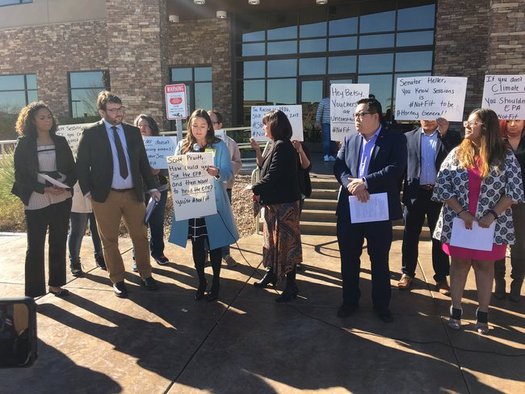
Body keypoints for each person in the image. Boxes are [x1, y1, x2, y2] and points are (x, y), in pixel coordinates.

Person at [432, 108, 524, 334]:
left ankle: (482, 315)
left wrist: (491, 215)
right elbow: (443, 186)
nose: (465, 125)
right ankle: (455, 311)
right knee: (459, 266)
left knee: (485, 267)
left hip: (491, 226)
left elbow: (514, 191)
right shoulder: (457, 153)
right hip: (459, 223)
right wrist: (462, 213)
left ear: (485, 126)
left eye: (471, 122)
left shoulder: (504, 155)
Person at [76, 91, 161, 298]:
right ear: (102, 111)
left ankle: (146, 274)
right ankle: (118, 279)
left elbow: (142, 162)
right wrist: (88, 192)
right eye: (113, 110)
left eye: (120, 109)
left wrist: (152, 186)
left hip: (133, 194)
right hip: (105, 196)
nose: (118, 113)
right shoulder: (90, 134)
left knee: (140, 236)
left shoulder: (133, 132)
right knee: (110, 240)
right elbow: (81, 166)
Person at [334, 98, 407, 322]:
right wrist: (351, 185)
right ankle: (349, 301)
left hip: (377, 209)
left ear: (376, 117)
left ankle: (381, 305)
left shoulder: (395, 138)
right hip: (350, 207)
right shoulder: (349, 139)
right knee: (348, 257)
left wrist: (366, 182)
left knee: (379, 259)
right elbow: (339, 166)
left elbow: (396, 168)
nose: (357, 118)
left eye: (362, 114)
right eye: (355, 115)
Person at [168, 109, 239, 302]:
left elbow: (227, 173)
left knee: (215, 242)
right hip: (192, 204)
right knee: (197, 244)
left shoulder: (219, 146)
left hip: (213, 202)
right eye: (195, 125)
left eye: (202, 126)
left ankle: (216, 281)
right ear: (190, 126)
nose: (198, 130)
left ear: (209, 126)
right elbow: (175, 173)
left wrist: (216, 172)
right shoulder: (182, 146)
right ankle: (201, 281)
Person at [11, 101, 76, 298]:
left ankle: (56, 284)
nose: (47, 120)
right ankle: (33, 291)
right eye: (42, 117)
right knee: (35, 245)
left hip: (61, 196)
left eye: (49, 116)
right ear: (32, 120)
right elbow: (20, 175)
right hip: (36, 197)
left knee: (58, 241)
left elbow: (72, 170)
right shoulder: (23, 143)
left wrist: (63, 185)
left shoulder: (61, 141)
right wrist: (44, 188)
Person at [399, 118, 462, 294]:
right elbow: (401, 167)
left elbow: (459, 158)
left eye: (431, 114)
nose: (427, 119)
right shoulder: (407, 137)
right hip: (415, 194)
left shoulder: (452, 136)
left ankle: (441, 277)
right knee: (410, 235)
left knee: (439, 236)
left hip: (440, 195)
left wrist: (445, 134)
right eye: (424, 114)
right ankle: (407, 273)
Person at [249, 110, 302, 302]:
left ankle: (291, 285)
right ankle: (272, 274)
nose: (263, 127)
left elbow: (274, 176)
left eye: (265, 124)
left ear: (275, 126)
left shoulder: (283, 147)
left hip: (285, 207)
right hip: (274, 205)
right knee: (271, 243)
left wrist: (253, 187)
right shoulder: (273, 145)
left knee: (287, 246)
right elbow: (264, 169)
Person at [132, 114, 171, 270]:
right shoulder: (131, 145)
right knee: (138, 224)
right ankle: (137, 257)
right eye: (139, 125)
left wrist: (160, 169)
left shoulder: (161, 144)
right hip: (137, 190)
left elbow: (170, 168)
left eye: (146, 125)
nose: (143, 128)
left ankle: (158, 253)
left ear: (152, 128)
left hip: (159, 188)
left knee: (157, 222)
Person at [494, 119, 525, 302]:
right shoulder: (497, 143)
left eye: (518, 120)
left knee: (520, 244)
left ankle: (517, 282)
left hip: (522, 202)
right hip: (500, 201)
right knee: (499, 241)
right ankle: (499, 281)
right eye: (510, 120)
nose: (513, 124)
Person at [208, 110, 242, 268]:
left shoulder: (229, 142)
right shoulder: (200, 142)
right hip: (205, 190)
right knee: (206, 221)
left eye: (212, 122)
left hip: (223, 188)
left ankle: (225, 254)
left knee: (224, 221)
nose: (209, 125)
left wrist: (225, 170)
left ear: (219, 125)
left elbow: (237, 162)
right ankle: (207, 253)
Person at [68, 182, 106, 277]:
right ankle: (75, 262)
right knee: (77, 232)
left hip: (96, 193)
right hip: (78, 194)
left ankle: (99, 256)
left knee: (98, 229)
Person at [292, 139, 312, 272]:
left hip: (298, 192)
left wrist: (299, 150)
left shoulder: (301, 144)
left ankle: (295, 260)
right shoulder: (275, 144)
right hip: (281, 193)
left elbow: (307, 166)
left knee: (294, 227)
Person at [316, 91, 336, 162]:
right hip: (326, 123)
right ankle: (326, 155)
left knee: (333, 140)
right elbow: (319, 111)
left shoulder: (338, 101)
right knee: (326, 140)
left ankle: (332, 155)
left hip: (335, 123)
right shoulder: (324, 101)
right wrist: (317, 121)